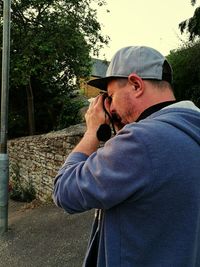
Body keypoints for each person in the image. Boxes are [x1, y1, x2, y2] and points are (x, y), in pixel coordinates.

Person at [53, 46, 200, 267]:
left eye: (111, 96)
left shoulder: (142, 141)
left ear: (136, 85)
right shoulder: (189, 129)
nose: (109, 107)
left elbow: (64, 191)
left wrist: (92, 131)